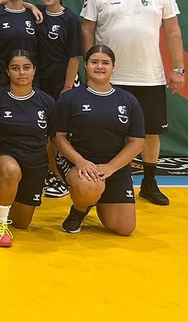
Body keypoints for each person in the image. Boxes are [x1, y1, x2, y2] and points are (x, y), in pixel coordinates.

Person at [81, 0, 185, 206]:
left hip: (149, 75)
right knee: (107, 132)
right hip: (109, 78)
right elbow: (87, 29)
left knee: (150, 133)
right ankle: (108, 182)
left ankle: (149, 184)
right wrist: (91, 65)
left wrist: (178, 68)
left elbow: (172, 30)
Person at [54, 45, 146, 235]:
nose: (99, 67)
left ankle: (94, 198)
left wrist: (111, 167)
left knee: (124, 228)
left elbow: (137, 142)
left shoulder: (128, 100)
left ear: (113, 67)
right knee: (90, 185)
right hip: (78, 163)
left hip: (113, 167)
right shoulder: (70, 98)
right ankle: (79, 211)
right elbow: (58, 138)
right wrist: (80, 162)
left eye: (105, 63)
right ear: (86, 65)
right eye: (94, 62)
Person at [0, 51, 56, 245]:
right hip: (2, 157)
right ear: (8, 71)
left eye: (26, 67)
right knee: (10, 170)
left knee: (22, 223)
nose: (21, 73)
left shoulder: (47, 102)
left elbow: (53, 139)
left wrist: (53, 168)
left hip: (34, 162)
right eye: (15, 68)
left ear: (34, 70)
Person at [36, 0, 82, 198]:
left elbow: (74, 56)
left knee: (57, 130)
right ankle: (47, 172)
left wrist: (67, 87)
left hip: (61, 79)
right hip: (39, 78)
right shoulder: (35, 13)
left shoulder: (70, 19)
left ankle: (61, 174)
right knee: (43, 129)